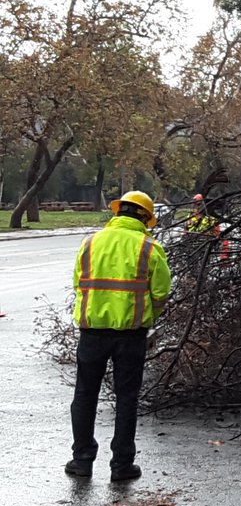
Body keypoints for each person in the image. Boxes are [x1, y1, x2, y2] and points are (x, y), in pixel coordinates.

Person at [66, 190, 171, 483]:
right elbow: (161, 293)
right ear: (144, 218)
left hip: (92, 332)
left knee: (85, 395)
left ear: (117, 213)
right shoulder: (149, 248)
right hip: (131, 334)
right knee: (126, 398)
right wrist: (148, 316)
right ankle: (121, 465)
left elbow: (78, 283)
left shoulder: (91, 243)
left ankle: (82, 459)